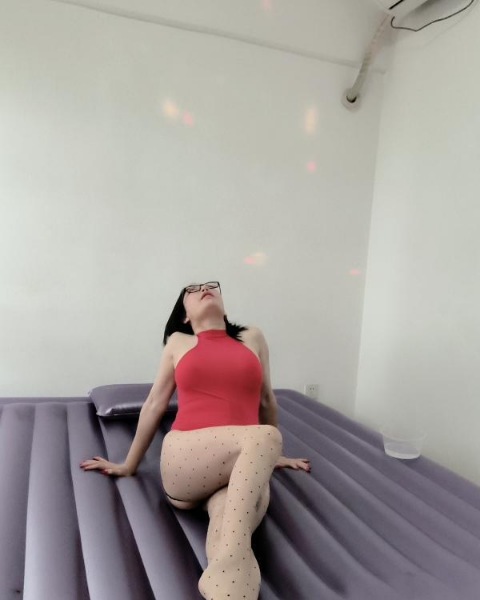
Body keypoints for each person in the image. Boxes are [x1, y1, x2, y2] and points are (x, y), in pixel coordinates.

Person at [80, 280, 311, 600]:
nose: (204, 288)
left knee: (229, 533)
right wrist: (128, 465)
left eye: (211, 286)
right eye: (193, 289)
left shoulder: (253, 337)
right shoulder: (179, 342)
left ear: (224, 306)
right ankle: (231, 563)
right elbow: (154, 404)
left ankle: (224, 584)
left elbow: (267, 400)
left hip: (239, 468)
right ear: (185, 315)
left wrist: (273, 455)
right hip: (187, 458)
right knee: (266, 436)